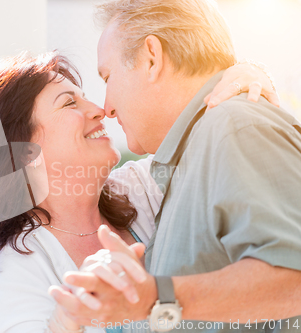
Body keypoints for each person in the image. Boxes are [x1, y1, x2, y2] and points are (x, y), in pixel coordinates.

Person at [0, 51, 279, 333]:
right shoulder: (13, 270)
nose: (99, 110)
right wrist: (67, 322)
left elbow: (219, 144)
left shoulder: (142, 188)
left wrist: (245, 77)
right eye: (69, 103)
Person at [51, 1, 301, 332]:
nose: (107, 108)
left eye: (108, 77)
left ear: (152, 58)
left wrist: (157, 298)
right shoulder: (191, 154)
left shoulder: (234, 128)